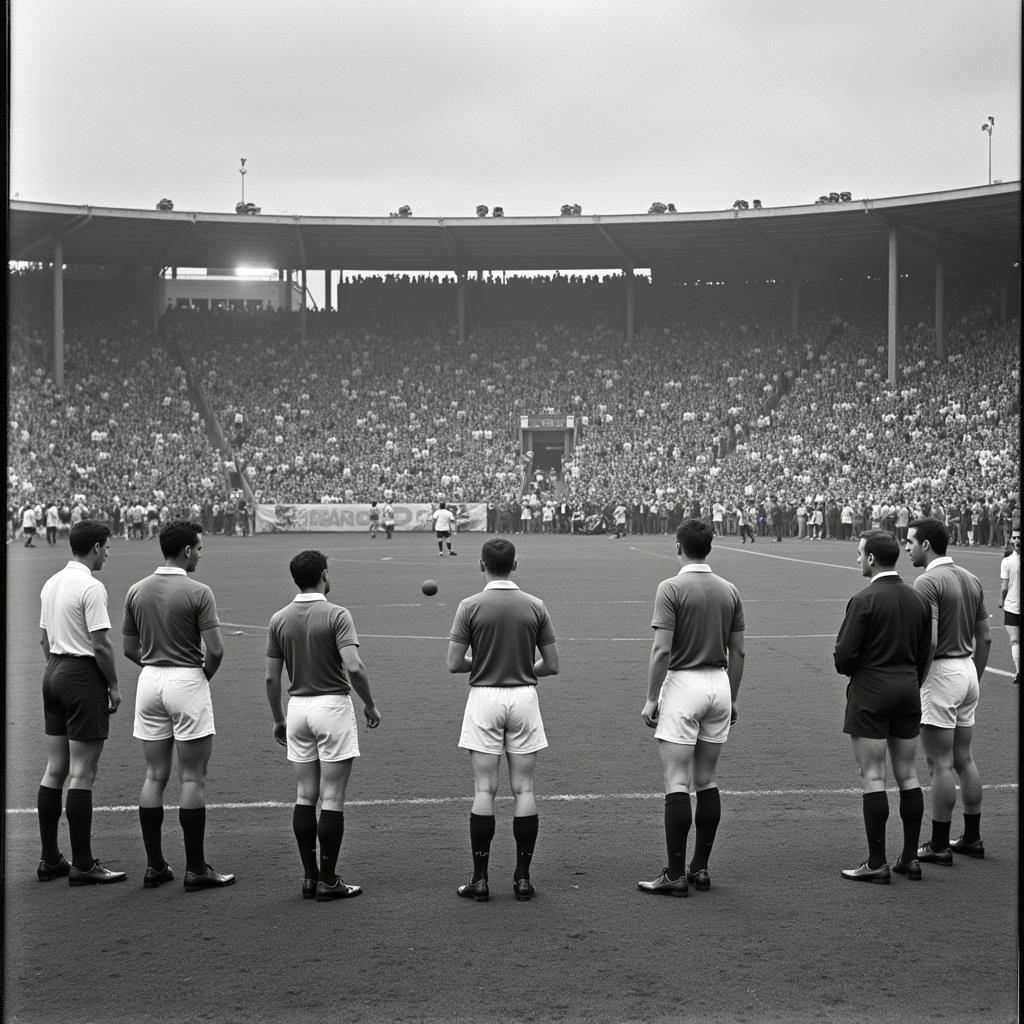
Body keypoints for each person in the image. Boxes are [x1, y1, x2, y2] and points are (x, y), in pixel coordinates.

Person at [122, 520, 235, 891]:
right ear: (186, 550)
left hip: (150, 680)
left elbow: (128, 647)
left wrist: (156, 666)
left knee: (154, 776)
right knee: (192, 777)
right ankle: (196, 869)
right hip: (187, 679)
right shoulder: (199, 591)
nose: (201, 554)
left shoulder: (136, 590)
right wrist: (202, 676)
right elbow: (216, 649)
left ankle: (155, 866)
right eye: (199, 548)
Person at [446, 538, 560, 902]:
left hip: (484, 697)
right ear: (515, 565)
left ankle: (480, 880)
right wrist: (524, 667)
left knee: (485, 790)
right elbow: (552, 665)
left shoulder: (470, 606)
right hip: (524, 696)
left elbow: (453, 662)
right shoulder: (535, 605)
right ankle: (523, 879)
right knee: (524, 788)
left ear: (481, 565)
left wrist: (483, 663)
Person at [265, 550, 382, 901]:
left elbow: (271, 678)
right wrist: (370, 704)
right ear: (325, 575)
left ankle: (308, 877)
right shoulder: (337, 614)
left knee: (305, 795)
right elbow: (355, 666)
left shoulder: (279, 618)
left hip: (297, 707)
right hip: (331, 706)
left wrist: (278, 719)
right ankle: (329, 880)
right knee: (332, 796)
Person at [638, 519, 745, 897]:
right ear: (710, 548)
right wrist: (732, 696)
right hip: (718, 683)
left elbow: (662, 649)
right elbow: (740, 651)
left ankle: (675, 874)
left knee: (677, 781)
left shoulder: (671, 588)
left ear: (678, 546)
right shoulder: (730, 590)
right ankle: (700, 869)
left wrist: (652, 697)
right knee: (707, 779)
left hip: (684, 684)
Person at [834, 530, 931, 883]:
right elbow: (925, 652)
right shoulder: (918, 598)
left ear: (873, 558)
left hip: (872, 692)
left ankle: (877, 862)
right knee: (908, 773)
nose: (857, 559)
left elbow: (844, 656)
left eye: (860, 554)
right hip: (908, 689)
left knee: (874, 775)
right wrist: (912, 679)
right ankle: (909, 858)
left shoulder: (863, 599)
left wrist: (858, 670)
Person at [36, 521, 125, 886]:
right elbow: (101, 644)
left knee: (55, 768)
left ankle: (49, 859)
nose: (108, 553)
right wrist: (114, 686)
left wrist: (57, 673)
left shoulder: (51, 582)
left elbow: (43, 638)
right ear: (95, 547)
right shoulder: (91, 586)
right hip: (80, 674)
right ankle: (83, 864)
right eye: (106, 547)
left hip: (53, 671)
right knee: (82, 772)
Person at [905, 518, 991, 863]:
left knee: (939, 763)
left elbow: (932, 638)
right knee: (964, 758)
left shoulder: (927, 581)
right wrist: (975, 677)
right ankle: (972, 838)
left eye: (910, 541)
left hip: (941, 671)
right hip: (968, 669)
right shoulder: (971, 578)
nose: (906, 547)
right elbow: (984, 635)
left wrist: (919, 682)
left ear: (926, 545)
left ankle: (939, 844)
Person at [998, 528, 1020, 685]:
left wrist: (1001, 599)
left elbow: (1004, 586)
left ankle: (1019, 671)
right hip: (1013, 605)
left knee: (1015, 641)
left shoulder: (1006, 562)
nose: (1017, 540)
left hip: (1012, 605)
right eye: (1015, 537)